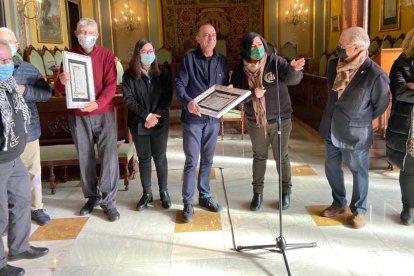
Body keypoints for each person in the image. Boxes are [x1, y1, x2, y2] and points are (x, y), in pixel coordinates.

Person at [319, 27, 390, 229]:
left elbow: (380, 105)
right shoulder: (333, 65)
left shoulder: (375, 74)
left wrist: (359, 119)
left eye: (342, 45)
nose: (338, 48)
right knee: (332, 168)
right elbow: (332, 97)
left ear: (357, 47)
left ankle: (359, 211)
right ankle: (339, 203)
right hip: (331, 127)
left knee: (359, 172)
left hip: (355, 133)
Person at [55, 18, 120, 222]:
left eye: (90, 32)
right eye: (82, 31)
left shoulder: (107, 55)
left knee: (109, 157)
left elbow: (111, 86)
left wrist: (98, 103)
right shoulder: (68, 56)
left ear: (97, 35)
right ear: (76, 33)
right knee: (85, 156)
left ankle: (108, 202)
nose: (86, 35)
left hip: (104, 112)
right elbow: (59, 88)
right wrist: (62, 81)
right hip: (78, 114)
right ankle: (91, 197)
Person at [231, 32, 304, 211]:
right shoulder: (240, 70)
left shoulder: (276, 62)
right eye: (253, 46)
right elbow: (237, 99)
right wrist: (251, 95)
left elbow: (292, 80)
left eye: (260, 44)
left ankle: (285, 192)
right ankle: (258, 194)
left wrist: (294, 70)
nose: (258, 49)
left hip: (281, 119)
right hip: (255, 121)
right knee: (259, 156)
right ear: (246, 49)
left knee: (282, 157)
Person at [0, 39, 49, 276]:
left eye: (9, 59)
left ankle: (19, 246)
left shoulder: (9, 84)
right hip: (0, 159)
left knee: (21, 201)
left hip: (14, 155)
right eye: (2, 60)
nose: (7, 64)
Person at [175, 24, 229, 223]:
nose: (211, 38)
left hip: (213, 120)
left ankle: (204, 196)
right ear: (197, 38)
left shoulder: (221, 61)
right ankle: (188, 203)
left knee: (208, 160)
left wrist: (228, 91)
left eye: (214, 35)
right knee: (192, 161)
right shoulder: (189, 59)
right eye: (206, 35)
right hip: (193, 120)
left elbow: (221, 89)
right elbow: (179, 83)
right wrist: (187, 101)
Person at [123, 40, 173, 211]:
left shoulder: (163, 72)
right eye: (144, 51)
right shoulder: (129, 75)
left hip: (159, 121)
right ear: (138, 54)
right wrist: (147, 116)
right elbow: (129, 99)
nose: (148, 54)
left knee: (160, 157)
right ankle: (147, 194)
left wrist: (155, 116)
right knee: (144, 159)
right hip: (139, 122)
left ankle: (164, 192)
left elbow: (167, 97)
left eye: (151, 51)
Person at [386, 27, 414, 226]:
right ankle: (408, 207)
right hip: (409, 126)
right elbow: (400, 92)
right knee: (409, 169)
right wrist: (407, 87)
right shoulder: (401, 63)